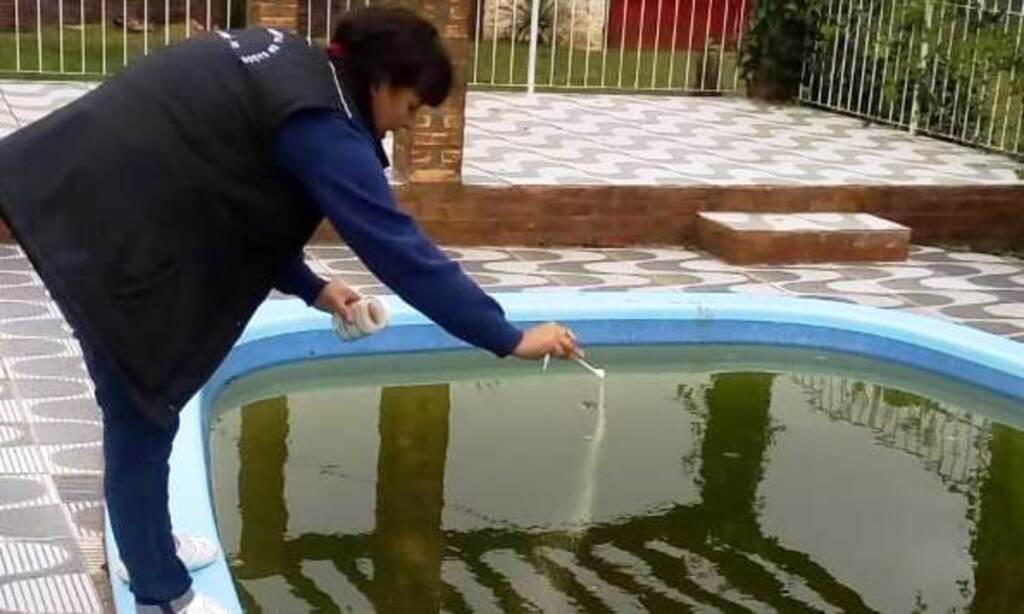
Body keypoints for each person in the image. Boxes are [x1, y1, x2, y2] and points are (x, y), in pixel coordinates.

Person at [0, 8, 581, 613]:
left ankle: (144, 540)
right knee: (142, 404)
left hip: (104, 188)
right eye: (411, 109)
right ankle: (160, 590)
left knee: (146, 406)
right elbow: (398, 249)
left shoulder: (294, 64)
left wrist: (313, 287)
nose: (406, 128)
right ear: (383, 81)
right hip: (110, 216)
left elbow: (237, 186)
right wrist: (507, 336)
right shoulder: (321, 122)